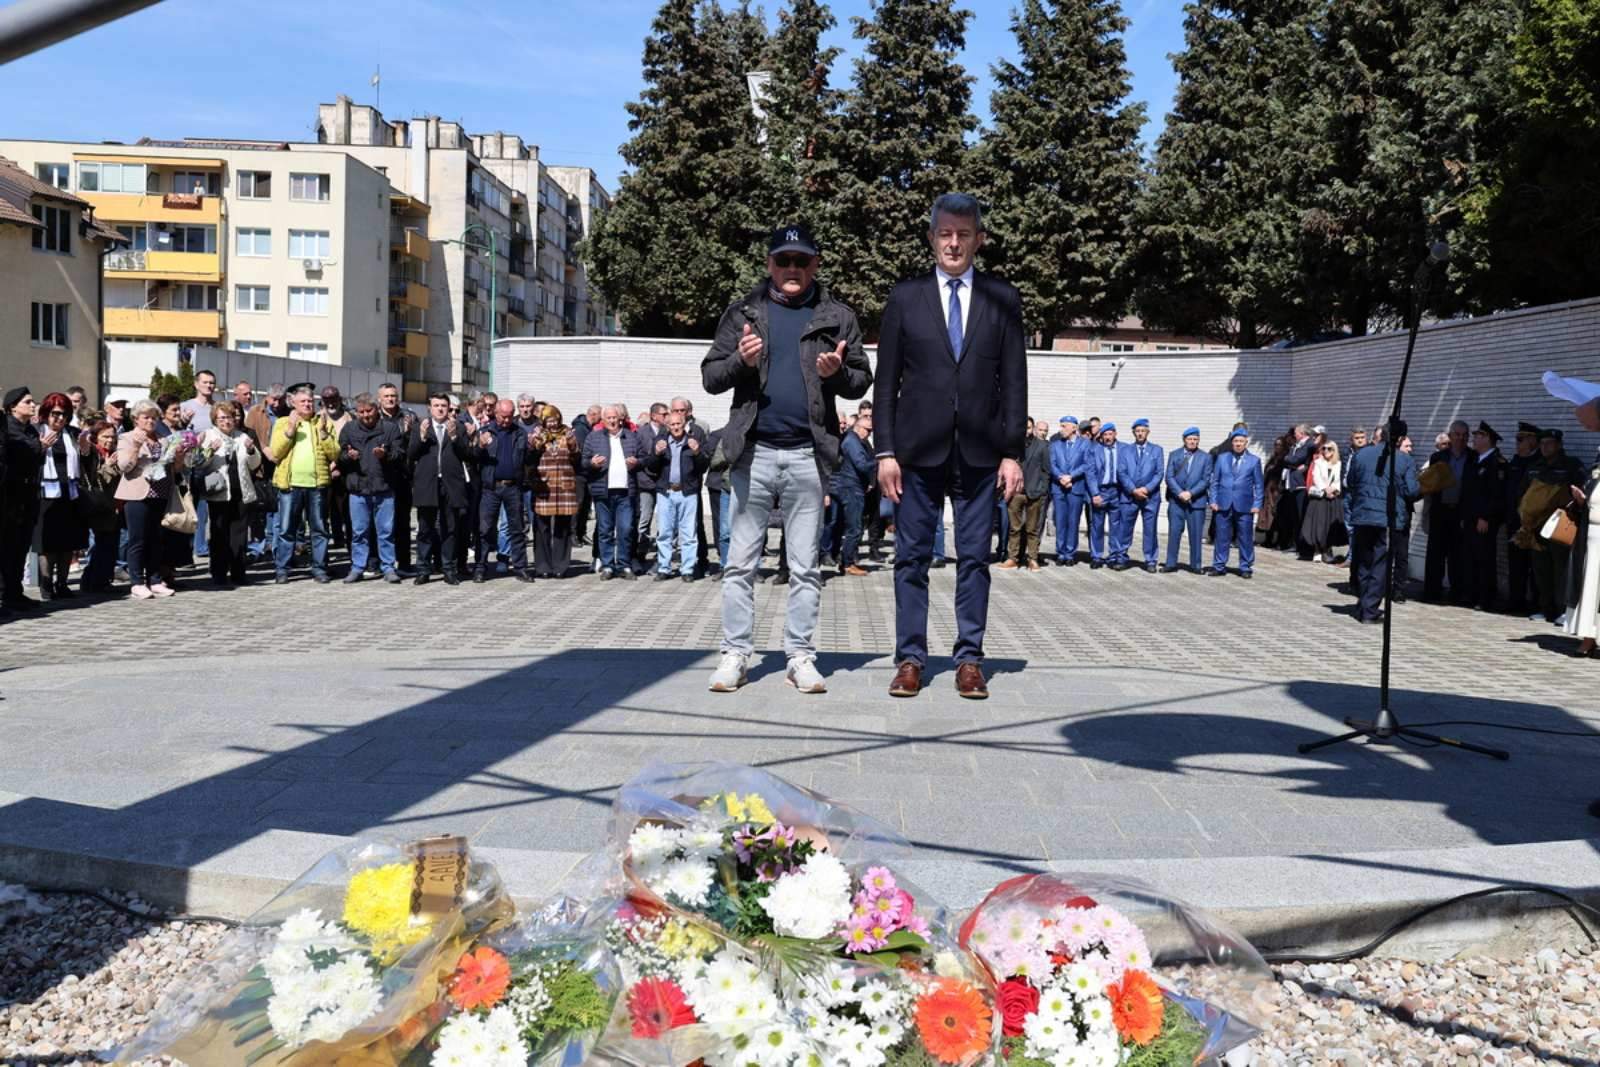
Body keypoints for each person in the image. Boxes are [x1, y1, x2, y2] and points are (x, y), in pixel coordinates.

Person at [703, 221, 873, 694]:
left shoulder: (837, 316)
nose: (792, 268)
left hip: (807, 456)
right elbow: (711, 377)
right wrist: (741, 361)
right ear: (770, 264)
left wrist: (837, 374)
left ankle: (799, 656)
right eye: (784, 260)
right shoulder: (743, 312)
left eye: (802, 260)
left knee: (805, 567)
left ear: (815, 264)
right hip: (752, 454)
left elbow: (861, 379)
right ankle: (736, 655)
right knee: (740, 564)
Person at [874, 194, 1026, 699]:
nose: (953, 243)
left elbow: (1014, 380)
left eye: (963, 234)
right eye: (945, 234)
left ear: (979, 239)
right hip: (917, 454)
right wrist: (885, 451)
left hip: (981, 455)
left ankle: (969, 660)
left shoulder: (1002, 298)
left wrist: (1012, 453)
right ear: (932, 238)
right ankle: (910, 658)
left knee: (975, 559)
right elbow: (887, 380)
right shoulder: (906, 297)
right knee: (911, 559)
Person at [1345, 421, 1421, 624]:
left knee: (1364, 562)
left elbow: (1351, 482)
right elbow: (1412, 491)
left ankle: (1363, 605)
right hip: (1387, 518)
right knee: (1380, 565)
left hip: (1362, 515)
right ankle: (1369, 611)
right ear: (1400, 438)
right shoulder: (1404, 460)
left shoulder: (1361, 454)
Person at [268, 384, 339, 584]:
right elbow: (276, 453)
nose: (307, 404)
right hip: (290, 485)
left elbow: (335, 453)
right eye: (303, 401)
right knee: (286, 530)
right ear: (293, 403)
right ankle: (282, 569)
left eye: (310, 401)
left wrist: (323, 434)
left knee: (319, 529)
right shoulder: (282, 422)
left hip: (317, 485)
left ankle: (319, 568)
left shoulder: (323, 422)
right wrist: (290, 430)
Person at [115, 399, 182, 600]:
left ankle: (155, 580)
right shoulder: (127, 437)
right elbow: (124, 467)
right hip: (137, 494)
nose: (151, 421)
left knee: (156, 539)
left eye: (154, 418)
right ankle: (136, 582)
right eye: (146, 417)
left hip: (160, 493)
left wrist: (180, 455)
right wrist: (136, 447)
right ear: (136, 419)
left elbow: (175, 468)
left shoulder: (164, 438)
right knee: (138, 539)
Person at [337, 393, 405, 584]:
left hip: (384, 488)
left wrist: (385, 455)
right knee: (359, 532)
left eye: (369, 411)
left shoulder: (390, 429)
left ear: (376, 409)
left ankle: (388, 567)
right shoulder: (349, 429)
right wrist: (348, 456)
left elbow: (400, 455)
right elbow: (339, 457)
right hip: (358, 489)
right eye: (361, 412)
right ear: (356, 412)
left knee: (386, 531)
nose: (366, 415)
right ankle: (358, 567)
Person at [1523, 428, 1587, 624]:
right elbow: (1523, 492)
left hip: (1560, 524)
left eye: (1549, 443)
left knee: (1561, 568)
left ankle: (1562, 610)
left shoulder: (1571, 466)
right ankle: (1545, 609)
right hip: (1537, 525)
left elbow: (1580, 492)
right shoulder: (1535, 466)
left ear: (1559, 445)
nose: (1545, 447)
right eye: (1542, 443)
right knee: (1541, 569)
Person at [196, 401, 262, 587]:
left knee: (239, 535)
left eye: (230, 417)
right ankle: (218, 573)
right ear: (215, 420)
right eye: (222, 418)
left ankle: (238, 573)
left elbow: (255, 464)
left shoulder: (242, 436)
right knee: (219, 534)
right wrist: (209, 450)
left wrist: (251, 450)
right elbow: (196, 463)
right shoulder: (208, 435)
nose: (226, 421)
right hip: (219, 493)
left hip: (240, 491)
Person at [411, 392, 472, 585]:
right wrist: (421, 437)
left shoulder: (458, 427)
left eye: (443, 406)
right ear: (429, 408)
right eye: (436, 405)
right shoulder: (420, 426)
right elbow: (411, 454)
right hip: (428, 483)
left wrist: (454, 437)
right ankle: (423, 569)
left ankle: (449, 569)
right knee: (425, 529)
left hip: (450, 484)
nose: (440, 409)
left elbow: (467, 454)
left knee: (450, 528)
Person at [30, 393, 87, 601]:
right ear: (46, 413)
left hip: (70, 492)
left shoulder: (72, 433)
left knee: (68, 542)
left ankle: (62, 584)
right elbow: (27, 458)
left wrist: (86, 450)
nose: (60, 418)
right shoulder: (36, 432)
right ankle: (46, 584)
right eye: (55, 414)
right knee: (47, 543)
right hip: (45, 493)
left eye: (64, 414)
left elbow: (87, 460)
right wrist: (41, 447)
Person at [472, 399, 534, 583]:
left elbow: (528, 459)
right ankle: (480, 567)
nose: (506, 420)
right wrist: (480, 446)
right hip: (491, 487)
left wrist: (533, 448)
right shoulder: (485, 431)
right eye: (503, 417)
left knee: (517, 529)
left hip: (513, 487)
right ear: (496, 413)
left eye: (509, 417)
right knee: (485, 529)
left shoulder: (520, 433)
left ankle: (521, 568)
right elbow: (473, 457)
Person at [581, 404, 643, 581]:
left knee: (626, 529)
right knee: (605, 530)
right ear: (603, 420)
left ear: (620, 419)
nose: (612, 421)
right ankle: (608, 565)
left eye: (614, 417)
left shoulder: (631, 437)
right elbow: (583, 462)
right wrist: (592, 463)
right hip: (603, 491)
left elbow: (644, 458)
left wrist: (636, 463)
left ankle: (624, 564)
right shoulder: (593, 437)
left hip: (626, 492)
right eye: (608, 418)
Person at [646, 409, 707, 581]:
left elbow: (703, 467)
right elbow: (651, 467)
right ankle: (664, 568)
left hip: (687, 493)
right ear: (667, 426)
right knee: (664, 532)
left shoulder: (692, 442)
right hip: (666, 493)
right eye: (672, 424)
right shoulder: (660, 441)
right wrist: (656, 454)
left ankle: (687, 570)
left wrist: (697, 453)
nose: (675, 427)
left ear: (684, 424)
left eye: (678, 423)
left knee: (688, 533)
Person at [1460, 421, 1509, 611]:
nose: (1474, 439)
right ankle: (1471, 594)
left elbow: (1496, 494)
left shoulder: (1497, 463)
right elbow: (1469, 491)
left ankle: (1485, 597)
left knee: (1484, 557)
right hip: (1471, 517)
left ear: (1488, 439)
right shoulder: (1475, 460)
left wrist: (1486, 517)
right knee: (1470, 556)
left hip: (1484, 519)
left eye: (1478, 436)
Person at [1422, 419, 1472, 604]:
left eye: (1464, 435)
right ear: (1450, 436)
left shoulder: (1473, 457)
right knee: (1435, 553)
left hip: (1460, 512)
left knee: (1457, 555)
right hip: (1440, 510)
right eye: (1457, 435)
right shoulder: (1438, 457)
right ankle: (1431, 593)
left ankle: (1457, 593)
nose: (1461, 438)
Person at [529, 405, 580, 578]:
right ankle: (543, 566)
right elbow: (531, 453)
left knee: (563, 527)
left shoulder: (567, 433)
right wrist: (535, 440)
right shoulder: (539, 434)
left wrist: (572, 443)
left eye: (555, 420)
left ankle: (560, 566)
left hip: (564, 486)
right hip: (545, 486)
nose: (552, 424)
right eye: (548, 421)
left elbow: (576, 456)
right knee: (542, 527)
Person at [1209, 429, 1264, 578]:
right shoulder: (1222, 458)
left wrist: (1257, 504)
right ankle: (1219, 565)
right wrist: (1213, 500)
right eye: (1235, 441)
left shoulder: (1254, 461)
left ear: (1246, 443)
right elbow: (1215, 481)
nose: (1238, 444)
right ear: (1231, 443)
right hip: (1223, 504)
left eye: (1241, 441)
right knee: (1221, 537)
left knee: (1245, 537)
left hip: (1245, 505)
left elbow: (1259, 485)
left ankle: (1245, 567)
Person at [828, 408, 875, 576]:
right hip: (851, 488)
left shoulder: (853, 440)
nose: (869, 434)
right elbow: (862, 465)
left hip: (850, 487)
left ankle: (843, 559)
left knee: (846, 526)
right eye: (868, 430)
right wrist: (878, 461)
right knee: (854, 527)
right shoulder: (852, 441)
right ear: (859, 427)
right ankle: (847, 562)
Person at [78, 419, 123, 593]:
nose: (110, 440)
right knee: (101, 544)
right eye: (105, 437)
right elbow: (94, 479)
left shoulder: (114, 453)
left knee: (110, 544)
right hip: (99, 505)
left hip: (114, 505)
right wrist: (108, 466)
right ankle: (92, 580)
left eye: (112, 437)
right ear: (96, 437)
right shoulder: (93, 453)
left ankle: (102, 579)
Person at [376, 383, 416, 576]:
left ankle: (404, 563)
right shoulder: (374, 417)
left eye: (393, 395)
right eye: (386, 396)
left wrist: (409, 434)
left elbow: (415, 446)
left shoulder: (409, 417)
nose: (390, 399)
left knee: (402, 522)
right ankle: (378, 563)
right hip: (380, 476)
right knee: (380, 523)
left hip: (402, 476)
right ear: (379, 399)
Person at [1000, 417, 1049, 571]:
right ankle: (1013, 558)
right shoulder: (1012, 446)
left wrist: (1042, 490)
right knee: (1014, 528)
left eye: (1028, 427)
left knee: (1032, 529)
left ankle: (1032, 559)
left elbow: (1046, 470)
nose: (1026, 430)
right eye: (1023, 427)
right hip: (1016, 493)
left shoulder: (1042, 446)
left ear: (1033, 428)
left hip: (1034, 493)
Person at [1504, 422, 1542, 615]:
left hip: (1534, 523)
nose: (1517, 444)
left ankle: (1537, 605)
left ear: (1533, 441)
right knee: (1516, 564)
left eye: (1521, 440)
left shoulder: (1540, 463)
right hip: (1514, 521)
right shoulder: (1515, 462)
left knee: (1535, 566)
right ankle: (1516, 602)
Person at [1118, 417, 1164, 572]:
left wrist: (1146, 489)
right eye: (1137, 431)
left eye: (1143, 431)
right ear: (1133, 433)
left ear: (1148, 432)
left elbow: (1159, 473)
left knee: (1150, 530)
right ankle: (1122, 557)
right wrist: (1133, 490)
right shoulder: (1125, 450)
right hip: (1129, 496)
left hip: (1150, 497)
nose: (1140, 434)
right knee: (1125, 528)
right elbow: (1122, 472)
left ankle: (1150, 560)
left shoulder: (1157, 450)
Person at [1163, 427, 1212, 573]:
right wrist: (1180, 493)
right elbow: (1169, 477)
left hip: (1196, 502)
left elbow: (1205, 480)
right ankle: (1171, 563)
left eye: (1195, 439)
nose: (1192, 442)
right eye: (1190, 439)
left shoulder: (1206, 457)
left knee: (1195, 535)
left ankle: (1196, 565)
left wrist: (1190, 493)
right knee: (1174, 533)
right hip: (1176, 502)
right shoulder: (1174, 455)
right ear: (1184, 440)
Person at [1048, 415, 1088, 566]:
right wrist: (1061, 477)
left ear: (1074, 428)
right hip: (1059, 488)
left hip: (1075, 488)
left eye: (1064, 426)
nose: (1061, 429)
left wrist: (1071, 476)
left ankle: (1070, 553)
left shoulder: (1085, 444)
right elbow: (1052, 464)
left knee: (1073, 521)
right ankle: (1060, 552)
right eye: (1061, 426)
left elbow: (1086, 464)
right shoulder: (1055, 445)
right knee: (1060, 521)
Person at [1084, 422, 1123, 570]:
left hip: (1117, 491)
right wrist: (1095, 493)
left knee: (1115, 526)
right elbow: (1090, 473)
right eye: (1105, 435)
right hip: (1101, 491)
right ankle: (1097, 556)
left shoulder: (1124, 449)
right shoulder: (1095, 450)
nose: (1108, 437)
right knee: (1097, 525)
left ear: (1115, 434)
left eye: (1110, 434)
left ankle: (1113, 556)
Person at [1301, 439, 1344, 564]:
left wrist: (1333, 489)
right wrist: (1325, 489)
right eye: (1324, 448)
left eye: (1329, 449)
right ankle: (1317, 550)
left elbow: (1339, 479)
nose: (1326, 451)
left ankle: (1327, 550)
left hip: (1333, 497)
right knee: (1318, 524)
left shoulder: (1339, 464)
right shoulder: (1318, 463)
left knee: (1330, 524)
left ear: (1334, 451)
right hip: (1320, 497)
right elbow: (1316, 477)